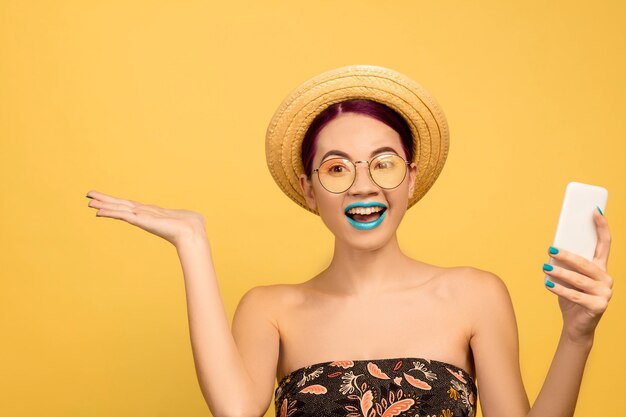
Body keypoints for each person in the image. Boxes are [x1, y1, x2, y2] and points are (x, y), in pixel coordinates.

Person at [86, 65, 613, 417]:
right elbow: (234, 410)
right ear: (309, 190)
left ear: (410, 177)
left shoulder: (475, 296)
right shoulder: (270, 309)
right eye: (337, 168)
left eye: (382, 164)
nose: (363, 185)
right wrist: (192, 242)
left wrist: (576, 336)